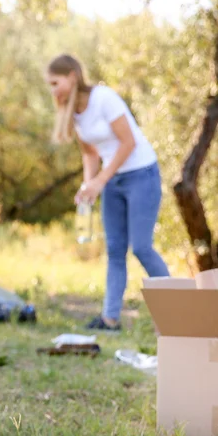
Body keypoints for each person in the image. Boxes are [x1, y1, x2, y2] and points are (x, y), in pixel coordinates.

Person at [46, 54, 170, 331]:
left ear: (73, 76)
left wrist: (101, 179)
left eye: (56, 82)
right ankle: (109, 319)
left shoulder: (104, 98)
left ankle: (179, 313)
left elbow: (127, 143)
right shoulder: (74, 112)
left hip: (141, 174)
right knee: (114, 251)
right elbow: (90, 152)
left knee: (141, 247)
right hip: (112, 180)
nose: (53, 90)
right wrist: (88, 184)